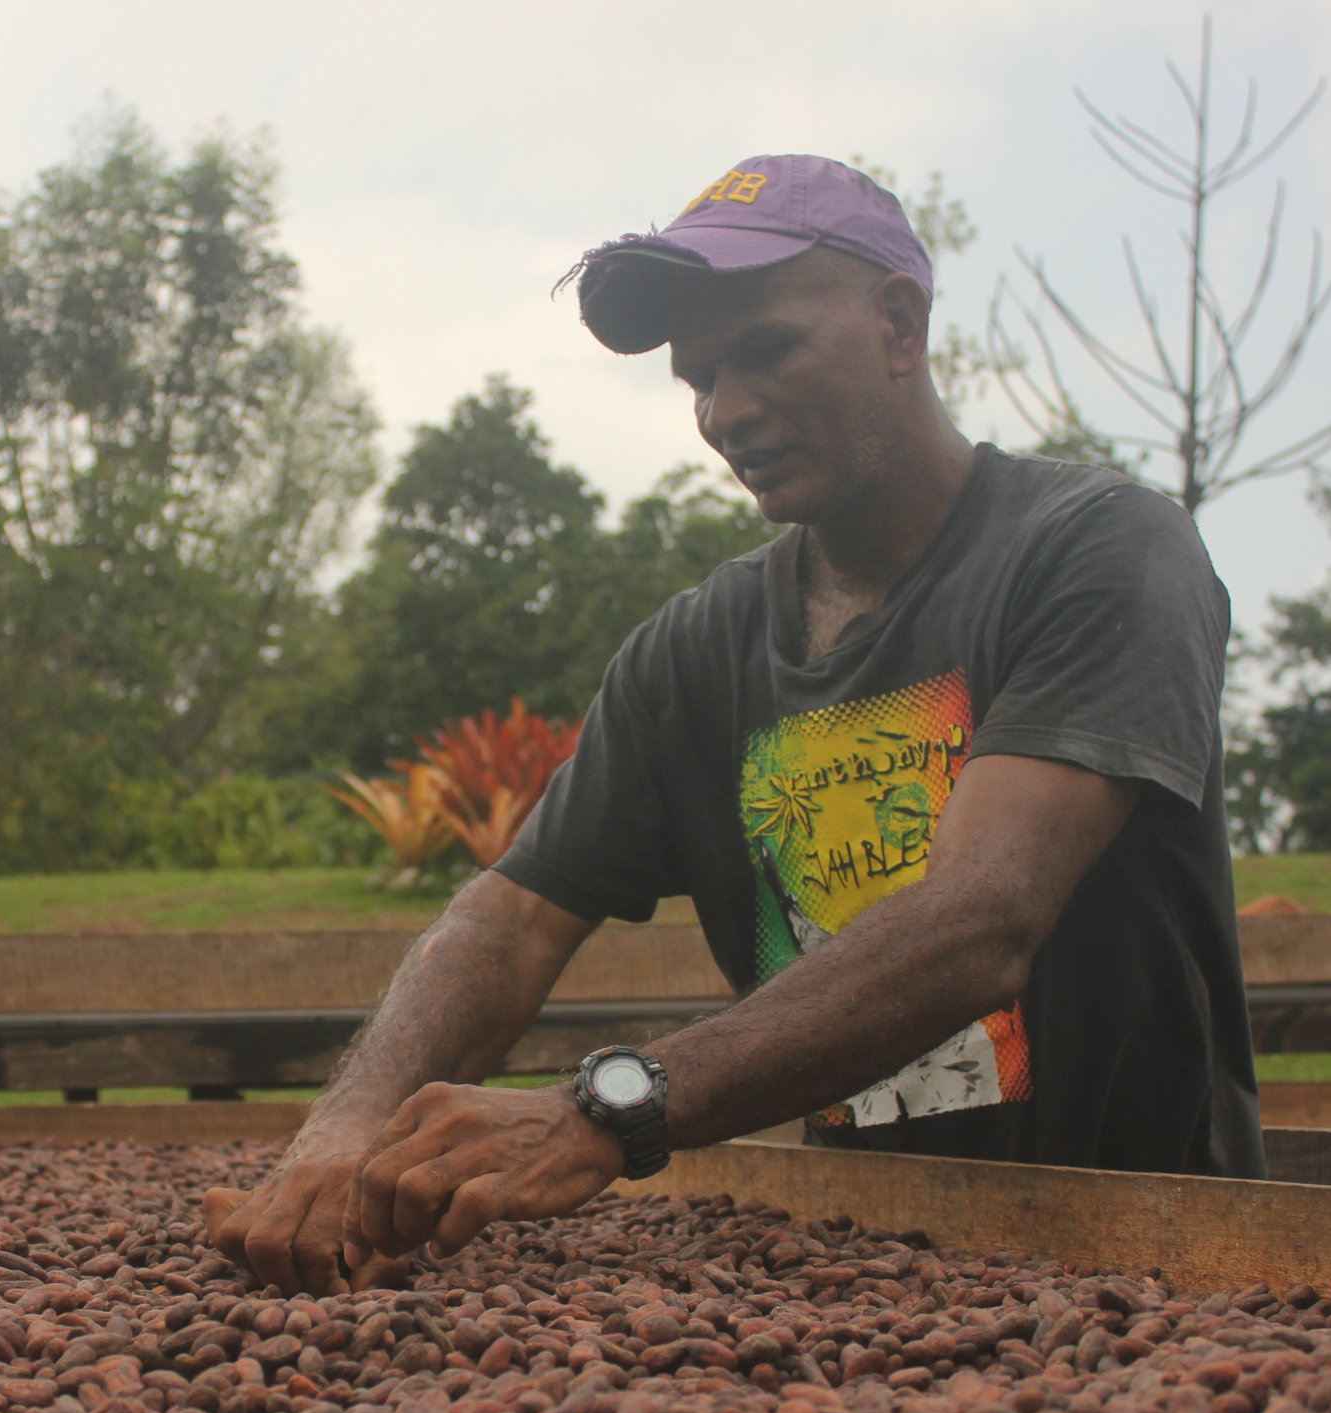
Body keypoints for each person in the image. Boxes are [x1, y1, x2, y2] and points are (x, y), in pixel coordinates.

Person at [213, 153, 1263, 1297]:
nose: (727, 412)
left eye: (765, 351)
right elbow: (512, 917)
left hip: (1161, 1263)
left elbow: (982, 912)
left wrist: (606, 1110)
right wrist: (347, 1126)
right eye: (700, 377)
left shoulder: (1097, 551)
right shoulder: (693, 650)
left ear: (898, 323)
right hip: (852, 1263)